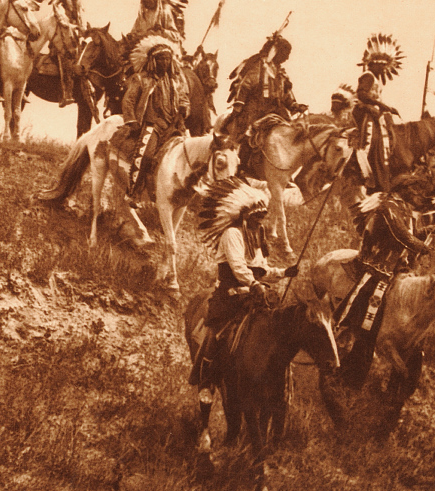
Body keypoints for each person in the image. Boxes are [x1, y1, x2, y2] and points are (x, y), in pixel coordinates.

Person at [188, 178, 297, 453]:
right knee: (216, 337)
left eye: (263, 216)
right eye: (257, 216)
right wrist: (255, 284)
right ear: (245, 215)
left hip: (256, 295)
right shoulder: (232, 234)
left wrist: (283, 273)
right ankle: (206, 380)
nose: (261, 221)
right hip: (230, 297)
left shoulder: (256, 236)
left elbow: (261, 268)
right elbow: (239, 268)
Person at [121, 36, 190, 201]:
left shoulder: (175, 81)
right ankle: (134, 192)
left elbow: (184, 98)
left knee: (191, 154)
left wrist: (183, 108)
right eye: (161, 59)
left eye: (168, 59)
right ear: (153, 60)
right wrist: (132, 122)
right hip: (153, 125)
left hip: (173, 126)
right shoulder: (142, 79)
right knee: (145, 156)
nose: (165, 62)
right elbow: (128, 101)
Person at [222, 31, 305, 144]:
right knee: (247, 136)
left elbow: (285, 95)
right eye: (285, 54)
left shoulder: (280, 73)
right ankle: (242, 158)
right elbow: (245, 86)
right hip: (256, 109)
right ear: (275, 52)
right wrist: (238, 106)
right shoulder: (259, 67)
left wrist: (294, 105)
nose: (287, 58)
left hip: (276, 110)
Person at [351, 33, 405, 191]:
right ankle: (363, 164)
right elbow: (361, 94)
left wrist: (385, 107)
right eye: (381, 66)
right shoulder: (368, 76)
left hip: (373, 113)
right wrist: (379, 104)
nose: (383, 69)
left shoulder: (375, 78)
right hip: (364, 113)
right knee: (373, 140)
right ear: (374, 64)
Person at [48, 0, 86, 107]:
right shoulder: (60, 7)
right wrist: (75, 27)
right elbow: (63, 22)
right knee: (66, 61)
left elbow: (82, 25)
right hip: (60, 42)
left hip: (75, 42)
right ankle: (67, 94)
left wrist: (83, 30)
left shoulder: (78, 11)